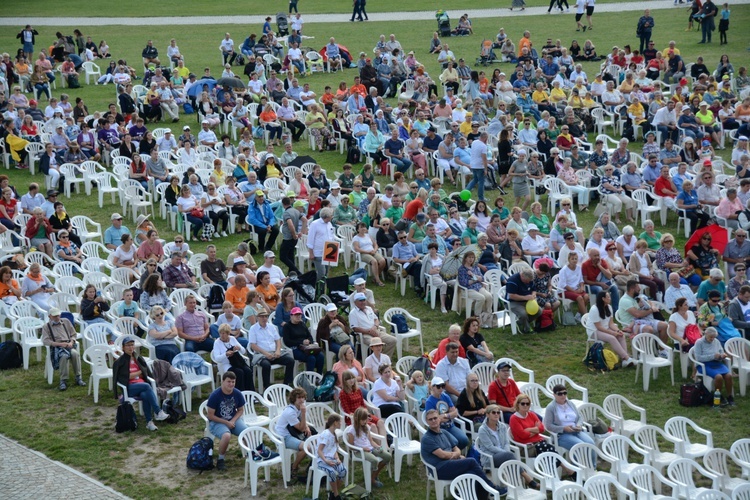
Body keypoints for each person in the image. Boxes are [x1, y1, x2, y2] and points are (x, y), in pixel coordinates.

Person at [421, 408, 500, 497]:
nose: (433, 421)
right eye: (430, 419)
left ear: (439, 419)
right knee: (471, 461)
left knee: (473, 473)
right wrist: (456, 456)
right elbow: (442, 455)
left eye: (435, 418)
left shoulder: (444, 432)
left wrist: (457, 454)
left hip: (451, 463)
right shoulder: (427, 438)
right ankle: (492, 487)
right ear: (427, 422)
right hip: (439, 469)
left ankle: (477, 496)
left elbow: (456, 448)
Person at [113, 336, 170, 431]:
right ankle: (158, 411)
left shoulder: (138, 358)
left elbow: (146, 372)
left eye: (132, 345)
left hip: (142, 386)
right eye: (128, 345)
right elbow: (127, 377)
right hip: (129, 388)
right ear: (123, 347)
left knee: (145, 394)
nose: (130, 347)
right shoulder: (120, 362)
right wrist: (139, 372)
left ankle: (149, 422)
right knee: (147, 386)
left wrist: (138, 373)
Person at [206, 372, 248, 471]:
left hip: (232, 419)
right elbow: (210, 415)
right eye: (228, 382)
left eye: (233, 382)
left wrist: (233, 420)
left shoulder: (237, 393)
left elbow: (241, 410)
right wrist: (226, 423)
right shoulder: (215, 395)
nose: (231, 384)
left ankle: (250, 454)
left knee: (247, 432)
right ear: (223, 382)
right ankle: (220, 459)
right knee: (226, 436)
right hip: (217, 421)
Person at [41, 307, 86, 391]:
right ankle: (63, 380)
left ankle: (78, 377)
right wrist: (59, 344)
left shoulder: (65, 321)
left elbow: (74, 334)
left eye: (58, 315)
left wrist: (71, 342)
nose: (57, 318)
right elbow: (46, 341)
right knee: (64, 356)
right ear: (49, 316)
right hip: (57, 347)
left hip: (68, 345)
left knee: (75, 354)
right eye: (54, 316)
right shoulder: (46, 327)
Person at [543, 384, 596, 455]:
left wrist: (579, 425)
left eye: (564, 393)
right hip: (562, 434)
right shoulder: (551, 407)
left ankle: (591, 465)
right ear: (554, 395)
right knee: (579, 445)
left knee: (591, 443)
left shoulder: (570, 403)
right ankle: (578, 465)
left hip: (576, 430)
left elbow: (579, 417)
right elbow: (548, 426)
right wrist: (564, 428)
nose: (563, 396)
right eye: (560, 394)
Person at [345, 407, 390, 489]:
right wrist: (362, 448)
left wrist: (378, 447)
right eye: (363, 420)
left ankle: (373, 476)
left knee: (387, 456)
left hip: (370, 448)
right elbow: (350, 446)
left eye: (365, 419)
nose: (365, 422)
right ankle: (372, 480)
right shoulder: (352, 430)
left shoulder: (366, 427)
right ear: (356, 419)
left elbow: (371, 441)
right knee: (374, 460)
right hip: (359, 451)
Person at [248, 309, 295, 387]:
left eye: (266, 316)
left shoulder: (272, 327)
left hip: (274, 352)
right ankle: (267, 387)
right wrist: (266, 354)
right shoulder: (253, 328)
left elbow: (278, 340)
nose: (264, 319)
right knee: (266, 365)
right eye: (262, 317)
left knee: (290, 360)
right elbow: (253, 345)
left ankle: (287, 384)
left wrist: (278, 351)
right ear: (258, 318)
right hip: (261, 354)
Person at [589, 291, 636, 365]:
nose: (610, 298)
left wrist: (618, 330)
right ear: (603, 299)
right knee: (612, 338)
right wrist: (612, 333)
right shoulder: (594, 309)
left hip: (605, 328)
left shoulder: (609, 307)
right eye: (608, 297)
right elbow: (598, 327)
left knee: (621, 335)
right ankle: (627, 358)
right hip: (594, 331)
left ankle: (624, 360)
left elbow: (610, 323)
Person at [425, 376, 470, 451]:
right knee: (454, 442)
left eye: (442, 386)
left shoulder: (445, 396)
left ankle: (453, 454)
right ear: (432, 387)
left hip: (450, 426)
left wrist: (445, 415)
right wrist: (448, 415)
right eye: (438, 386)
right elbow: (435, 419)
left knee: (464, 440)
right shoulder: (429, 402)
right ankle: (451, 454)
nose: (441, 388)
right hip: (439, 428)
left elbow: (455, 413)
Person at [619, 279, 669, 345]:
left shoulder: (637, 296)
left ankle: (662, 350)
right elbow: (638, 314)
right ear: (632, 289)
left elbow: (649, 302)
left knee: (664, 325)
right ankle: (645, 352)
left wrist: (653, 306)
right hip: (630, 324)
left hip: (644, 320)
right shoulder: (625, 300)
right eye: (638, 289)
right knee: (648, 329)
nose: (640, 289)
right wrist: (651, 310)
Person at [694, 327, 734, 406]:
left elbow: (721, 352)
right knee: (718, 377)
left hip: (716, 363)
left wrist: (722, 356)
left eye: (714, 337)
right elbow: (698, 358)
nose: (712, 339)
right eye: (710, 337)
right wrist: (713, 356)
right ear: (706, 334)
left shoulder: (716, 341)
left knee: (728, 375)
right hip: (704, 364)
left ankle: (730, 396)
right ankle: (717, 398)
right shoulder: (699, 342)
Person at [212, 324, 254, 392]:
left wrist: (239, 348)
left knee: (248, 371)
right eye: (220, 333)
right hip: (225, 364)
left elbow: (243, 351)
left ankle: (250, 392)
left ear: (228, 333)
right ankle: (240, 393)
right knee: (239, 372)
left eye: (224, 333)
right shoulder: (217, 342)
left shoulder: (232, 339)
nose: (222, 335)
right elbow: (217, 358)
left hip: (236, 362)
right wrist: (226, 354)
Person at [282, 306, 325, 374]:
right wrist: (301, 342)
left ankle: (318, 376)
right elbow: (287, 342)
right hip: (295, 348)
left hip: (307, 348)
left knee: (320, 356)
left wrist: (309, 341)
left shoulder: (302, 324)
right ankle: (309, 377)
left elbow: (309, 336)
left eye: (299, 314)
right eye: (296, 315)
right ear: (291, 316)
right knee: (311, 358)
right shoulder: (287, 326)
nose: (298, 316)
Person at [506, 267, 540, 334]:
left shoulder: (529, 280)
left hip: (527, 300)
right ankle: (527, 329)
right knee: (523, 314)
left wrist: (533, 295)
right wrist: (525, 298)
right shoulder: (512, 280)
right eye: (526, 281)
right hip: (513, 302)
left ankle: (520, 322)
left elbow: (534, 290)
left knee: (539, 311)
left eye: (529, 281)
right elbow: (512, 296)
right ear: (522, 275)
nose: (528, 282)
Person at [558, 252, 589, 322]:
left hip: (576, 289)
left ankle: (578, 315)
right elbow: (563, 285)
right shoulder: (564, 270)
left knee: (586, 297)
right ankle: (586, 318)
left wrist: (581, 287)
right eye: (572, 259)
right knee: (580, 298)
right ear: (569, 260)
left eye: (576, 259)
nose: (574, 260)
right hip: (564, 291)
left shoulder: (578, 268)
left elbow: (581, 280)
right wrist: (574, 291)